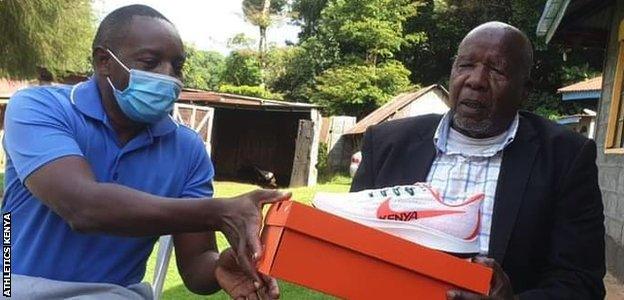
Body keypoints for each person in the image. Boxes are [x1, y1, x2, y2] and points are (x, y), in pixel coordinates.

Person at [3, 5, 288, 299]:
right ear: (104, 61)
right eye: (150, 62)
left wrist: (218, 268)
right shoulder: (40, 108)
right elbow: (82, 208)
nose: (168, 77)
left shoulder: (187, 149)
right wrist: (220, 212)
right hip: (16, 286)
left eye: (177, 67)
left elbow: (196, 264)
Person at [351, 22, 605, 299]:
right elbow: (347, 239)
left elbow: (582, 281)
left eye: (496, 70)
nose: (476, 80)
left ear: (524, 90)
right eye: (465, 65)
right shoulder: (387, 143)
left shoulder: (565, 157)